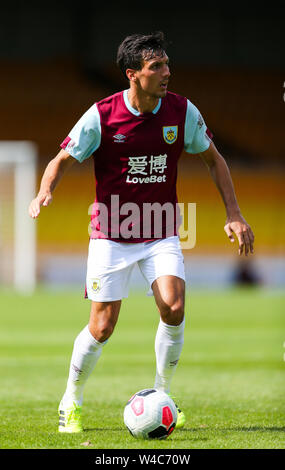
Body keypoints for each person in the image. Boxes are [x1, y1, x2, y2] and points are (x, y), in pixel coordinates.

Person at [29, 31, 254, 433]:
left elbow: (214, 160)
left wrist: (233, 212)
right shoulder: (102, 115)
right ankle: (71, 399)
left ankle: (162, 393)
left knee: (174, 305)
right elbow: (62, 158)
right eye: (157, 67)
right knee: (102, 327)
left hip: (160, 230)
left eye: (167, 64)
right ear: (133, 74)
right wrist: (45, 191)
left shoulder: (182, 112)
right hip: (111, 234)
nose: (167, 73)